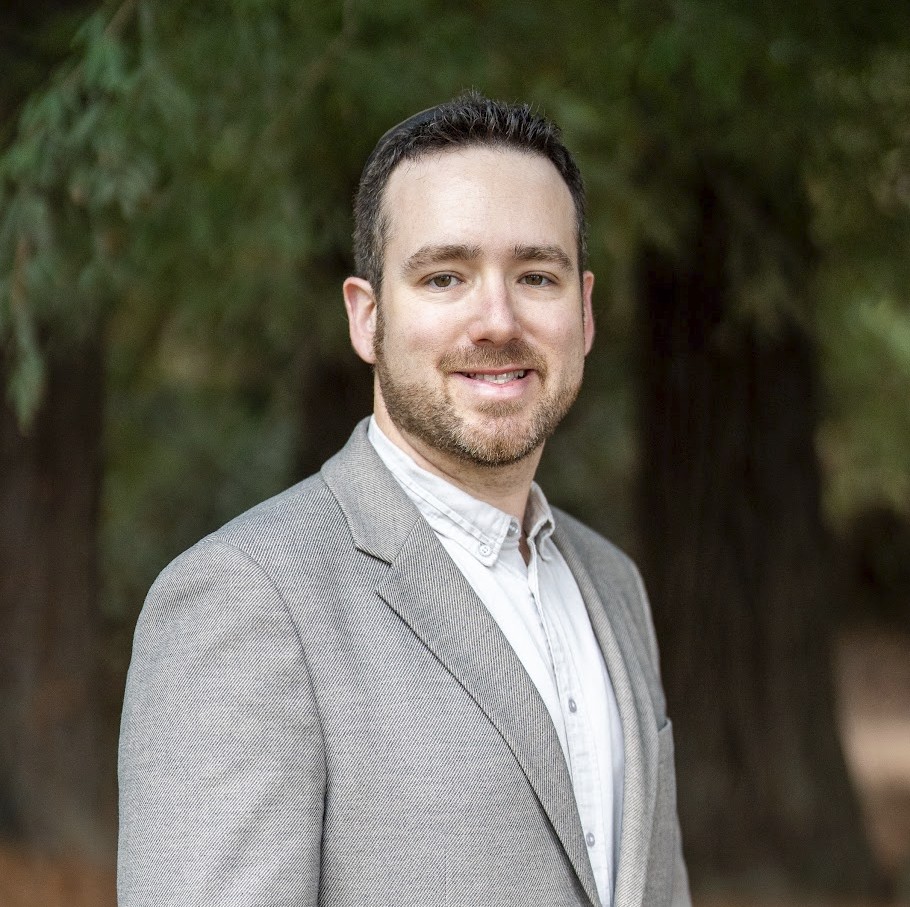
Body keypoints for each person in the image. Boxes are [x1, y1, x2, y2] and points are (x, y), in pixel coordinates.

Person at [118, 92, 690, 907]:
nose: (497, 320)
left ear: (585, 311)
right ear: (367, 317)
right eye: (444, 276)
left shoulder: (614, 584)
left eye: (536, 275)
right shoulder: (245, 600)